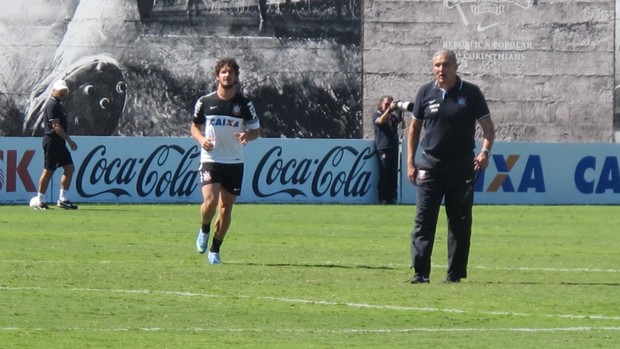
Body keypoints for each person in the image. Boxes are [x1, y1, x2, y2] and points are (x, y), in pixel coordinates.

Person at [406, 49, 495, 284]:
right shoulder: (425, 92)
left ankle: (454, 275)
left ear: (456, 66)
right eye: (437, 65)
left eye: (445, 65)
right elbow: (414, 129)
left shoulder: (472, 93)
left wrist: (485, 152)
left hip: (461, 166)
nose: (441, 70)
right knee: (424, 219)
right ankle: (420, 273)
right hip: (430, 165)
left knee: (459, 221)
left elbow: (488, 128)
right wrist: (410, 162)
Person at [191, 57, 261, 265]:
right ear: (217, 76)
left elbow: (256, 130)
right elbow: (194, 126)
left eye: (230, 72)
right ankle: (204, 228)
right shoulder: (205, 102)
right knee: (210, 203)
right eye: (223, 72)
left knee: (225, 209)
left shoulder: (245, 104)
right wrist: (202, 140)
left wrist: (248, 136)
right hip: (211, 159)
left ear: (236, 77)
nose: (227, 75)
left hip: (234, 161)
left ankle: (215, 248)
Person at [33, 79, 79, 210]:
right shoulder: (52, 104)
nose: (63, 93)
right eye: (60, 91)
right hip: (52, 141)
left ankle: (63, 199)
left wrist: (65, 141)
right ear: (54, 91)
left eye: (64, 91)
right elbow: (56, 126)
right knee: (48, 171)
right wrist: (69, 141)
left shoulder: (59, 104)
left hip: (59, 142)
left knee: (69, 168)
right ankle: (40, 200)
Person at [372, 95, 403, 204]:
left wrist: (400, 111)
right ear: (381, 104)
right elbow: (380, 121)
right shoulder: (377, 114)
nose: (389, 106)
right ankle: (383, 198)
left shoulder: (393, 117)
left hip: (394, 146)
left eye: (390, 104)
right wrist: (390, 110)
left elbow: (402, 125)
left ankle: (392, 197)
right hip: (383, 147)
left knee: (393, 173)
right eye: (386, 104)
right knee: (384, 173)